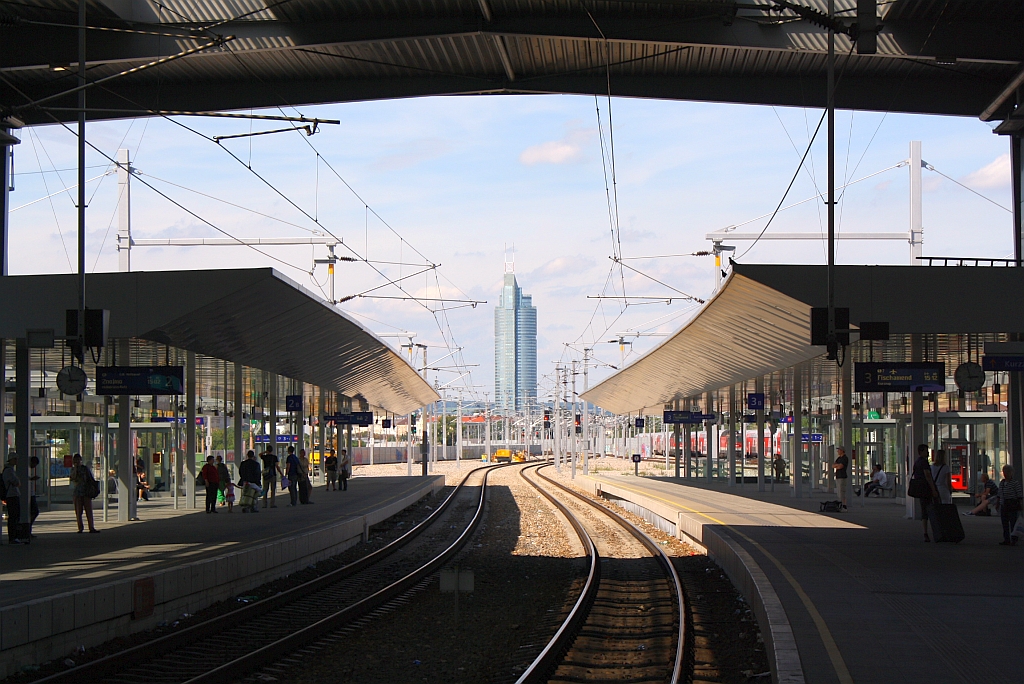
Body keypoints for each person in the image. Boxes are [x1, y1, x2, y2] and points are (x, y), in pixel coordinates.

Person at [909, 444, 939, 542]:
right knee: (933, 507)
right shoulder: (924, 462)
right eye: (926, 451)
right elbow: (928, 476)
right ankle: (936, 529)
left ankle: (925, 532)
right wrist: (933, 489)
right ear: (921, 452)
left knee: (924, 510)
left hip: (920, 489)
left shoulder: (917, 462)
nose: (928, 453)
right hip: (926, 489)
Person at [68, 453, 99, 534]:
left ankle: (91, 527)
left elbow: (90, 478)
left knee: (89, 510)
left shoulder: (85, 469)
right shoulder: (73, 470)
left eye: (79, 460)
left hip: (86, 492)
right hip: (77, 493)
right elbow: (72, 478)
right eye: (76, 460)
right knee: (78, 512)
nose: (77, 462)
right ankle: (80, 527)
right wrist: (75, 469)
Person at [3, 454, 27, 544]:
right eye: (15, 459)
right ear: (11, 460)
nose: (17, 461)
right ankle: (13, 537)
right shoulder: (9, 471)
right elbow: (16, 482)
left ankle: (14, 536)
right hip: (11, 495)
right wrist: (17, 481)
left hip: (12, 495)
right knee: (14, 516)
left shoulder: (9, 470)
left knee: (14, 516)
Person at [997, 464, 1023, 546]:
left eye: (1007, 472)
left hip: (1012, 505)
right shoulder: (1002, 483)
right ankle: (1006, 539)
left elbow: (1019, 495)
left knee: (1013, 522)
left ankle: (1013, 539)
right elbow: (999, 494)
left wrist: (1021, 506)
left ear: (1011, 473)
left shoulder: (1015, 483)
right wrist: (998, 503)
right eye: (1004, 472)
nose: (1005, 474)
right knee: (1004, 523)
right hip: (1004, 505)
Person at [27, 455, 41, 537]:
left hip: (32, 494)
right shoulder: (26, 470)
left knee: (33, 512)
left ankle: (29, 528)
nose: (34, 467)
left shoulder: (29, 470)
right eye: (34, 465)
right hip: (30, 495)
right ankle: (28, 528)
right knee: (35, 511)